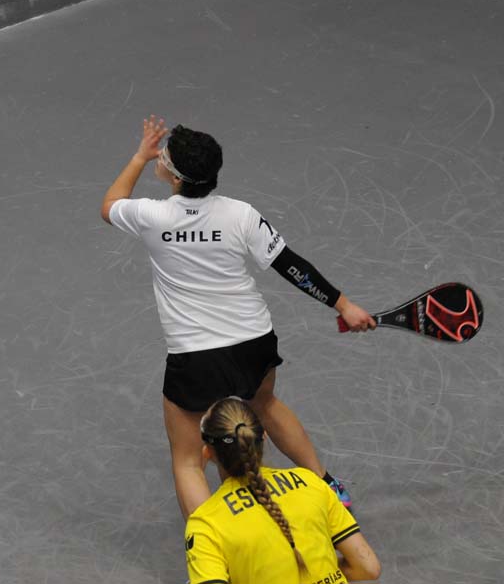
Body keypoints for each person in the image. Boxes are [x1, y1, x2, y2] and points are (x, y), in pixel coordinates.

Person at [101, 115, 377, 519]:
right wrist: (344, 305)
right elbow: (291, 265)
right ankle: (326, 483)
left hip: (195, 356)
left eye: (163, 156)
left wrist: (139, 157)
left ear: (174, 176)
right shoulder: (241, 214)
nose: (159, 156)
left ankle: (209, 543)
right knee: (264, 403)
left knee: (187, 460)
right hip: (254, 342)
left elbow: (109, 205)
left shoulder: (150, 216)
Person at [185, 396, 381, 583]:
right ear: (264, 436)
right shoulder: (310, 482)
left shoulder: (206, 523)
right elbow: (368, 567)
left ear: (207, 452)